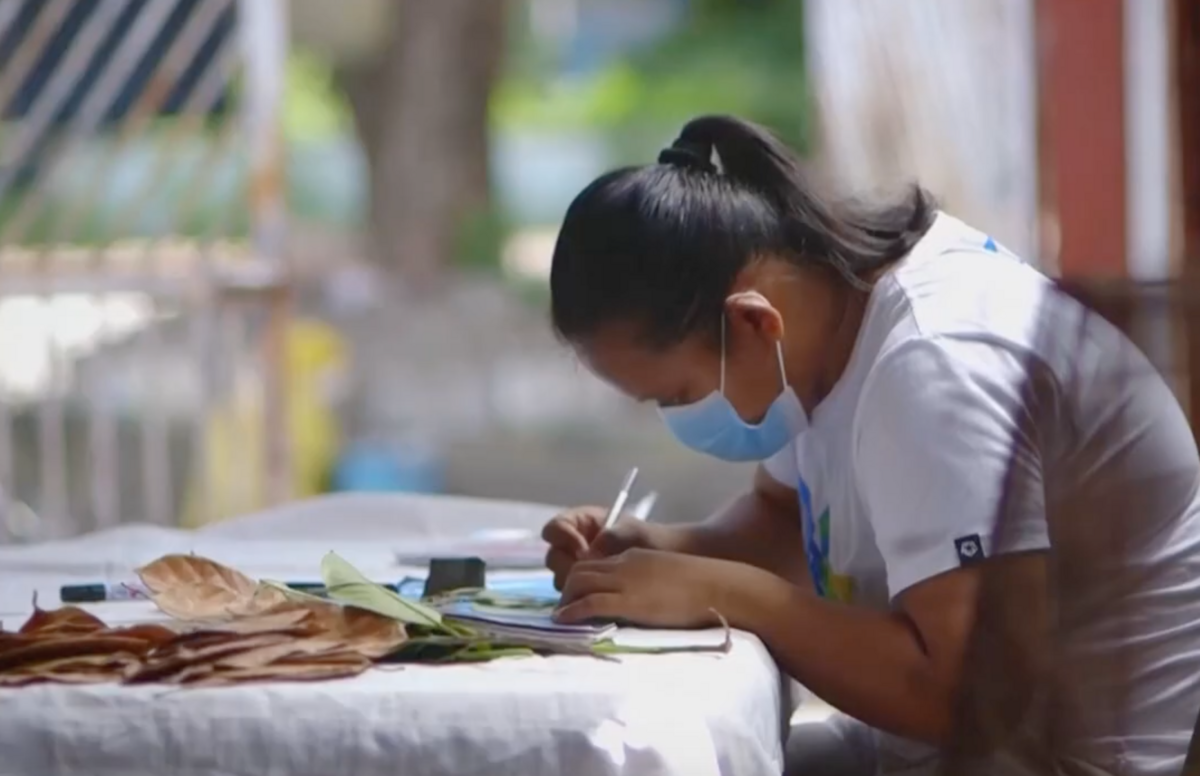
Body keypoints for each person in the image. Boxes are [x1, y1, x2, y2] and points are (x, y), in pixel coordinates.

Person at [540, 114, 1200, 775]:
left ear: (752, 322)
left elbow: (971, 697)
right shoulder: (820, 327)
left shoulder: (932, 365)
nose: (679, 419)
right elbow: (784, 520)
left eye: (677, 394)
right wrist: (656, 553)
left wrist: (730, 594)